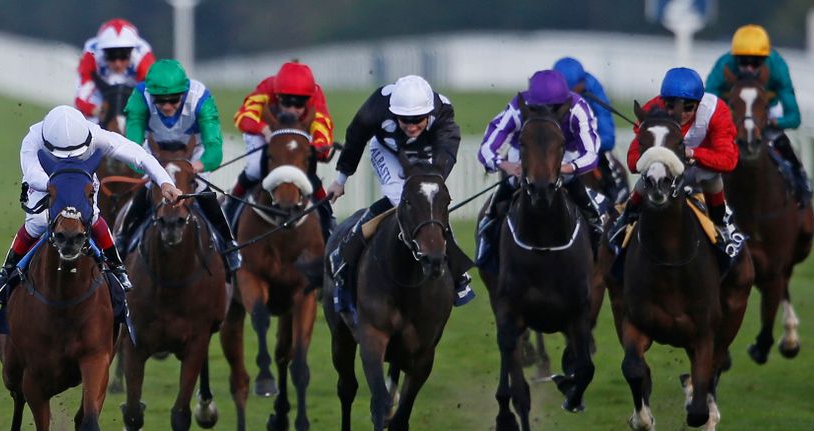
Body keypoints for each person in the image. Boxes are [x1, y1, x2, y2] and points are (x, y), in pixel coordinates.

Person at [0, 105, 182, 304]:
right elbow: (31, 172)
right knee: (37, 221)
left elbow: (137, 154)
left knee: (93, 216)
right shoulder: (33, 138)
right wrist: (55, 186)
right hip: (46, 183)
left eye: (75, 152)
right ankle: (6, 271)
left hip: (82, 180)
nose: (71, 156)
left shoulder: (95, 133)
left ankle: (116, 267)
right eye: (64, 153)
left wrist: (165, 182)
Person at [327, 74, 474, 312]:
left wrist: (430, 184)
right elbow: (355, 138)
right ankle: (346, 252)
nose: (412, 126)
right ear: (393, 113)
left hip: (426, 153)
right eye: (405, 120)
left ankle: (457, 272)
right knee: (399, 199)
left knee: (428, 203)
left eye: (418, 120)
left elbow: (447, 150)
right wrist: (340, 179)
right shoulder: (375, 108)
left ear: (429, 113)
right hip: (387, 151)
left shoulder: (444, 112)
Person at [117, 59, 241, 275]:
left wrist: (198, 166)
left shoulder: (201, 98)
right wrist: (149, 169)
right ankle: (123, 239)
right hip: (155, 153)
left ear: (183, 93)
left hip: (193, 154)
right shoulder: (139, 97)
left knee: (202, 190)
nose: (166, 106)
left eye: (173, 100)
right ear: (150, 94)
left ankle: (228, 244)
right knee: (148, 189)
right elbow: (132, 145)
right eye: (160, 101)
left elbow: (214, 147)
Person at [475, 69, 602, 269]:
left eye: (554, 108)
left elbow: (591, 154)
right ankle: (488, 228)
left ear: (564, 103)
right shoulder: (518, 108)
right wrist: (506, 165)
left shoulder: (577, 108)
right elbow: (487, 148)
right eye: (539, 108)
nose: (547, 112)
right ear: (530, 104)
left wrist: (567, 168)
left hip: (564, 154)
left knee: (576, 186)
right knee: (508, 186)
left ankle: (595, 226)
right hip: (525, 154)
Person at [609, 67, 739, 246]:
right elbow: (633, 162)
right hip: (665, 170)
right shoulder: (651, 111)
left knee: (713, 178)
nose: (682, 113)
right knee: (649, 175)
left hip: (702, 167)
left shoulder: (716, 111)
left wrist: (693, 153)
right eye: (671, 106)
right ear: (663, 102)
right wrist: (654, 155)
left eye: (688, 108)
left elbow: (729, 160)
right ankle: (625, 220)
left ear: (699, 104)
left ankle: (721, 225)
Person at [706, 24, 811, 207]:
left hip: (765, 113)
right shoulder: (723, 66)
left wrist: (773, 121)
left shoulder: (778, 67)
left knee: (781, 142)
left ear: (765, 60)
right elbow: (706, 105)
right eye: (743, 61)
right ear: (734, 59)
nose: (748, 68)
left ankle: (801, 184)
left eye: (755, 62)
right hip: (732, 116)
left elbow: (794, 117)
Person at [231, 62, 336, 238]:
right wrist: (263, 129)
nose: (292, 109)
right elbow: (242, 116)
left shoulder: (316, 97)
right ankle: (230, 209)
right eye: (286, 102)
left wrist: (317, 148)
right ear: (277, 95)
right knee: (255, 168)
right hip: (265, 130)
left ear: (308, 100)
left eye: (299, 104)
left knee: (307, 171)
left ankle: (328, 220)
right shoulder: (267, 87)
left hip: (298, 133)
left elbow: (323, 129)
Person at [553, 56, 629, 204]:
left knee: (614, 170)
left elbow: (608, 138)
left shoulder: (593, 90)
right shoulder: (547, 90)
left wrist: (583, 144)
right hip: (555, 146)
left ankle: (617, 207)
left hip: (588, 144)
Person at [74, 18, 156, 121]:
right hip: (101, 98)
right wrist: (96, 110)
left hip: (133, 95)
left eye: (123, 56)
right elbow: (80, 100)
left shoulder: (143, 57)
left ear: (132, 51)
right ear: (103, 52)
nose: (117, 63)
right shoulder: (91, 55)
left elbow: (152, 96)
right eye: (111, 56)